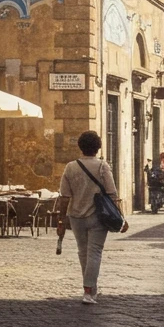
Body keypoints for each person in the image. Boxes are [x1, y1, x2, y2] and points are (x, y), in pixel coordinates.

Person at [57, 130, 128, 305]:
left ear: (80, 147)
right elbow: (112, 193)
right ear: (98, 147)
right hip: (98, 216)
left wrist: (61, 219)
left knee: (83, 252)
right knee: (94, 252)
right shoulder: (103, 166)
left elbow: (64, 196)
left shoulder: (70, 167)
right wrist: (122, 217)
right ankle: (89, 291)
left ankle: (90, 289)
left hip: (76, 216)